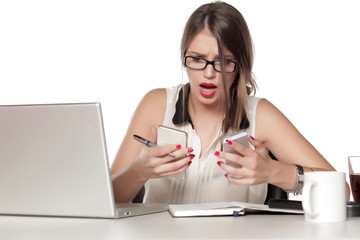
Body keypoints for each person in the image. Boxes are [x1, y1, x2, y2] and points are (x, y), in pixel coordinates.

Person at [111, 1, 348, 204]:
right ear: (184, 58)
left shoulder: (261, 115)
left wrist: (272, 171)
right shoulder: (156, 104)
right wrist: (138, 172)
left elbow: (341, 191)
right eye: (197, 59)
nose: (209, 73)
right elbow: (106, 200)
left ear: (241, 66)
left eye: (224, 62)